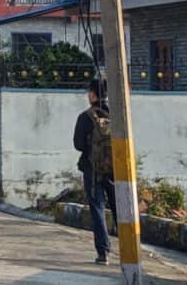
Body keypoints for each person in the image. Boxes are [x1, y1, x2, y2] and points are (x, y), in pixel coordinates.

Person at [73, 77, 117, 266]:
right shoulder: (117, 115)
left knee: (98, 209)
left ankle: (103, 252)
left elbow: (78, 144)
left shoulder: (86, 117)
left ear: (92, 94)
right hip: (114, 169)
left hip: (92, 170)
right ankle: (131, 249)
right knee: (120, 209)